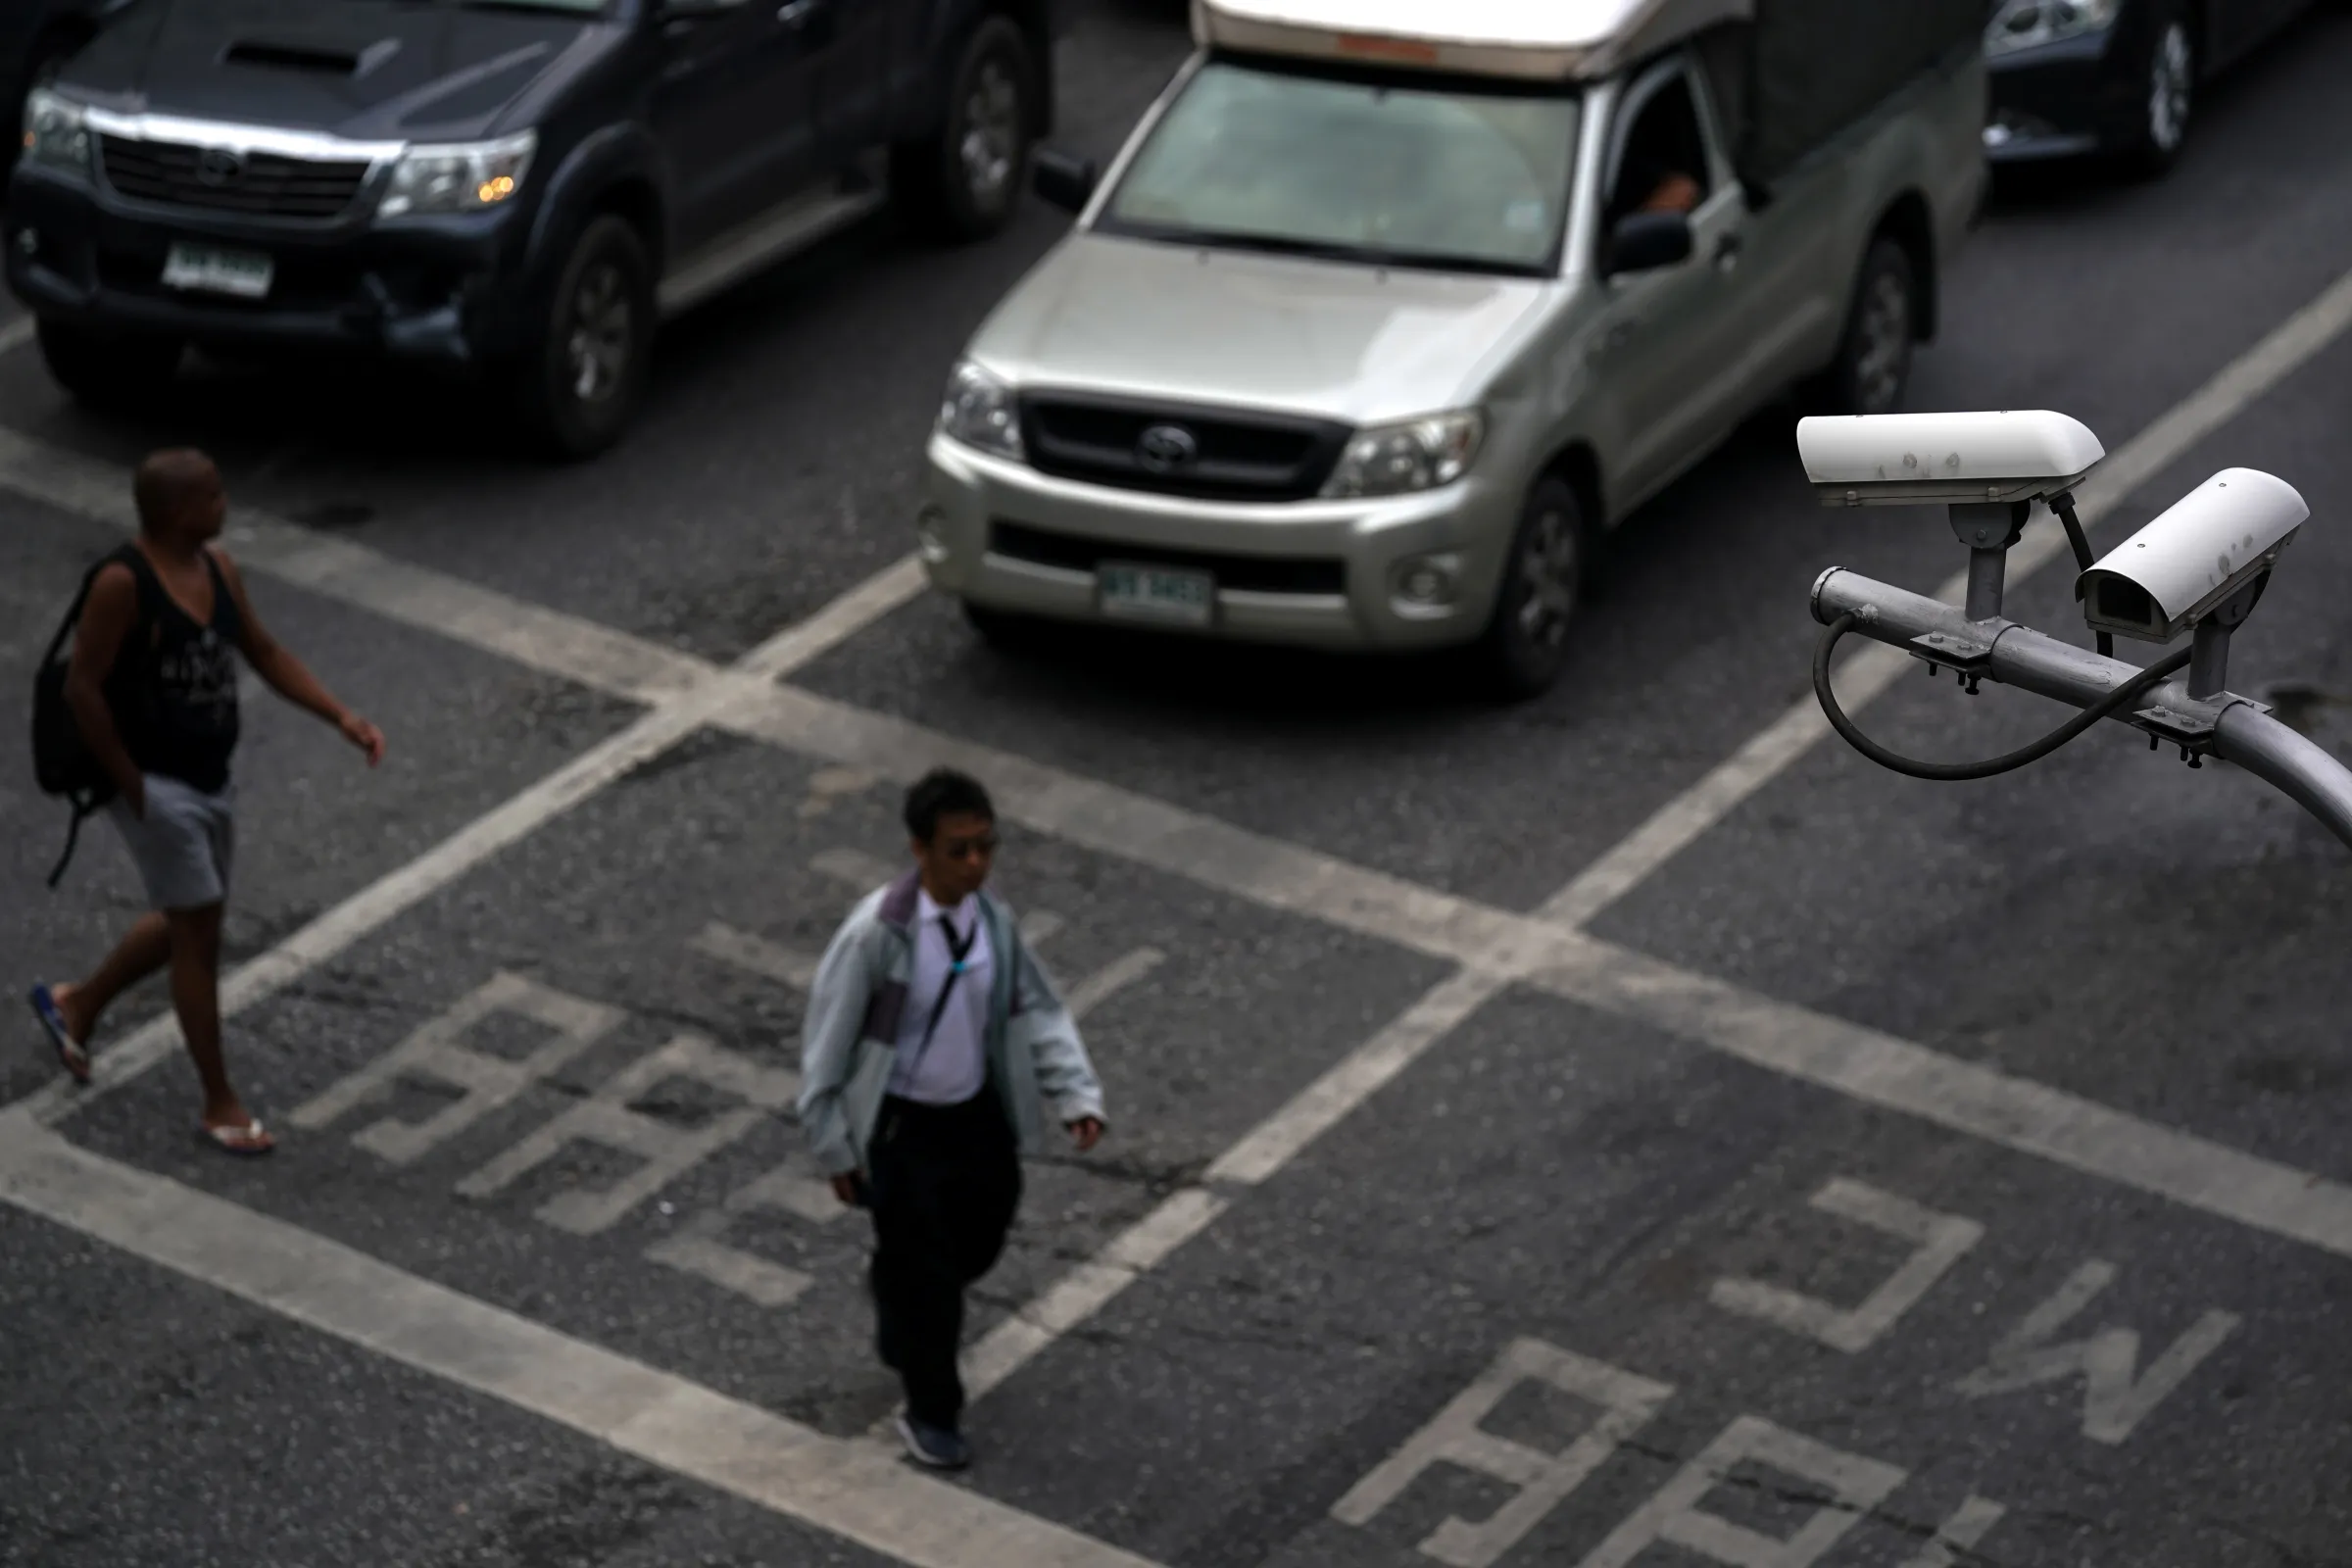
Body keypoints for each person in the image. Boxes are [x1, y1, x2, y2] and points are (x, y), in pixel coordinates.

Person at [26, 449, 384, 1153]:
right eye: (212, 497)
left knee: (194, 912)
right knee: (198, 934)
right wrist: (132, 784)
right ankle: (219, 1102)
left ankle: (77, 1005)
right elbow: (82, 689)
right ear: (174, 512)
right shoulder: (123, 584)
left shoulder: (218, 569)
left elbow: (264, 650)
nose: (224, 506)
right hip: (158, 786)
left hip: (209, 775)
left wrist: (339, 715)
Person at [799, 768, 1107, 1472]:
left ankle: (899, 1298)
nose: (975, 863)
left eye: (984, 847)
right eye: (959, 850)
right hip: (902, 1131)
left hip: (975, 1116)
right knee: (931, 1281)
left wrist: (1076, 1095)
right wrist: (834, 1147)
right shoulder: (878, 935)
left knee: (981, 1237)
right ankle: (932, 1411)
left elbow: (1038, 1009)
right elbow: (829, 1043)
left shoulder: (993, 922)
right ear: (920, 850)